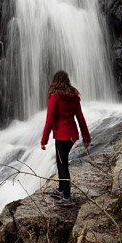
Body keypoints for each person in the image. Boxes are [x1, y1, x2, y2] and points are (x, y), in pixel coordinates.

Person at [40, 70, 91, 206]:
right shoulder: (74, 95)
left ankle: (67, 196)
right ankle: (61, 188)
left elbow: (49, 120)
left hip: (62, 136)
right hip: (72, 136)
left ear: (55, 81)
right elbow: (80, 118)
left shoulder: (55, 96)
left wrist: (44, 140)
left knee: (62, 164)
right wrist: (86, 137)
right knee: (60, 160)